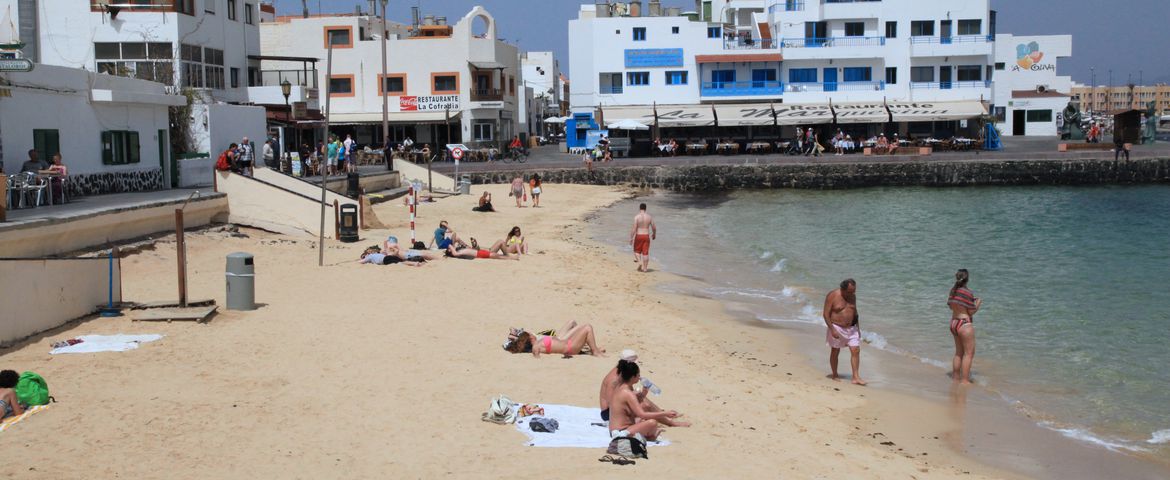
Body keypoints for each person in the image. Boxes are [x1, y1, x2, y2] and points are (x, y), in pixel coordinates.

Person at [599, 350, 690, 427]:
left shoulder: (623, 373)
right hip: (609, 413)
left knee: (641, 397)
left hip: (618, 407)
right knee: (645, 405)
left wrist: (639, 395)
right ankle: (669, 421)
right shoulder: (613, 379)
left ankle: (664, 416)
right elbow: (612, 403)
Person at [607, 360, 678, 442]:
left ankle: (647, 436)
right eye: (638, 375)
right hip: (621, 431)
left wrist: (643, 394)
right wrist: (665, 413)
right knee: (652, 423)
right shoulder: (628, 393)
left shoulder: (620, 387)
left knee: (643, 419)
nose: (639, 377)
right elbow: (642, 414)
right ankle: (631, 436)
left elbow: (629, 407)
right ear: (633, 377)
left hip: (615, 429)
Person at [823, 278, 866, 385]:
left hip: (851, 328)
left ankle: (855, 377)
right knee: (835, 351)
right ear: (842, 289)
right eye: (849, 292)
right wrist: (832, 329)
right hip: (836, 327)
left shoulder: (853, 296)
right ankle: (835, 374)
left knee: (855, 350)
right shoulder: (832, 295)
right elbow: (826, 314)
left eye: (854, 291)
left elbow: (855, 312)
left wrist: (858, 328)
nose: (852, 294)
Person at [948, 269, 981, 384]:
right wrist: (978, 303)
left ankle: (956, 377)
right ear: (967, 279)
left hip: (954, 322)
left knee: (958, 353)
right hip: (964, 324)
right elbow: (971, 312)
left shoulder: (953, 291)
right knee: (969, 354)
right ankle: (965, 381)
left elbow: (951, 306)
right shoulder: (967, 292)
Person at [505, 324, 606, 358]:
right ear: (529, 338)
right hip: (570, 348)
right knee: (587, 327)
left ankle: (593, 350)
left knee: (583, 328)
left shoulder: (537, 344)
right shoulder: (536, 347)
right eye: (531, 335)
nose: (533, 334)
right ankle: (595, 352)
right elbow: (538, 359)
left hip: (569, 345)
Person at [629, 203, 656, 273]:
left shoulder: (637, 217)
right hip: (646, 236)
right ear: (645, 209)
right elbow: (654, 227)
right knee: (645, 253)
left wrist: (631, 238)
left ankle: (639, 262)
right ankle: (645, 269)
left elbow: (634, 228)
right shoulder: (649, 217)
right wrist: (654, 234)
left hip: (639, 235)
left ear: (639, 208)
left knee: (636, 251)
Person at [358, 246, 424, 267]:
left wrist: (360, 260)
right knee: (402, 261)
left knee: (400, 263)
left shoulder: (369, 256)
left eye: (364, 256)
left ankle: (414, 263)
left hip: (385, 260)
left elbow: (361, 262)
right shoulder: (376, 254)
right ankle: (417, 262)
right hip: (388, 257)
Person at [445, 243, 518, 260]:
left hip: (480, 252)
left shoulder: (460, 250)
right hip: (479, 254)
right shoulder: (457, 253)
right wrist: (450, 246)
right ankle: (512, 258)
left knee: (497, 256)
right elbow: (454, 253)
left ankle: (511, 257)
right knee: (498, 256)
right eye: (450, 249)